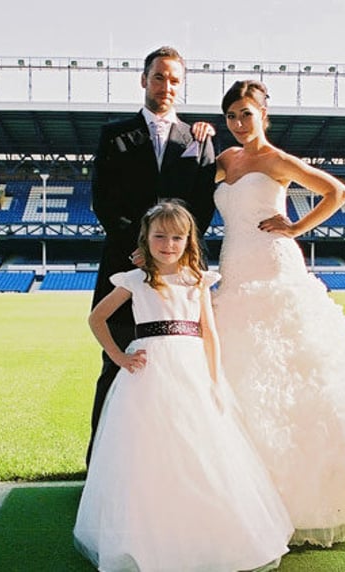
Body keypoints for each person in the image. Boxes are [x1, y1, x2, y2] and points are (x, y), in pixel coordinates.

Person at [212, 79, 345, 547]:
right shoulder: (225, 160)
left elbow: (337, 192)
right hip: (233, 266)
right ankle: (240, 489)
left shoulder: (277, 160)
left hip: (272, 263)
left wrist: (295, 227)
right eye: (231, 116)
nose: (239, 123)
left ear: (263, 115)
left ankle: (310, 495)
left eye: (247, 114)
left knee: (295, 367)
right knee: (238, 368)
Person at [74, 200, 292, 571]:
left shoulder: (197, 280)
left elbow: (209, 332)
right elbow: (97, 318)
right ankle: (148, 530)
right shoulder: (135, 280)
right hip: (149, 373)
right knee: (148, 447)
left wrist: (215, 377)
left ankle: (203, 526)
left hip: (191, 369)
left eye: (177, 237)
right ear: (146, 238)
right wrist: (118, 356)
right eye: (160, 236)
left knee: (200, 444)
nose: (168, 244)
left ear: (188, 240)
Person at [87, 45, 217, 465]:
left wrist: (174, 257)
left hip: (180, 278)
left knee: (183, 374)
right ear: (144, 80)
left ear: (182, 85)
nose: (166, 85)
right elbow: (104, 201)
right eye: (159, 77)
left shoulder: (198, 138)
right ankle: (102, 469)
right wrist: (142, 250)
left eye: (174, 79)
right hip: (126, 264)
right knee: (116, 367)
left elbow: (202, 208)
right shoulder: (114, 135)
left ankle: (174, 468)